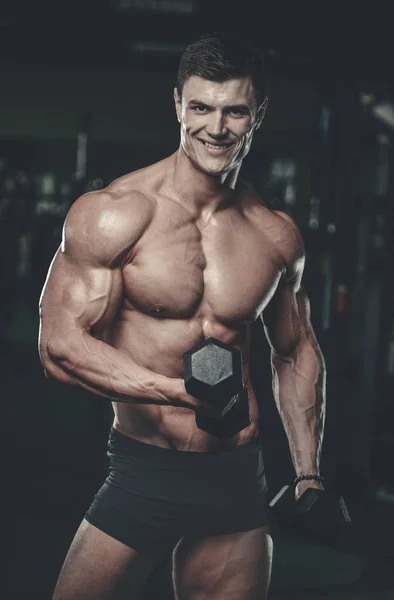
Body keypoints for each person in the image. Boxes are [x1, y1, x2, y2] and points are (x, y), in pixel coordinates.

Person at [39, 31, 326, 600]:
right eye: (201, 107)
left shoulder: (275, 235)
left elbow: (295, 351)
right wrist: (171, 390)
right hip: (147, 469)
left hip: (235, 474)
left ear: (257, 114)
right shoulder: (115, 215)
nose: (216, 128)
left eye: (235, 111)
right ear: (178, 105)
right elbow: (60, 348)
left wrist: (307, 467)